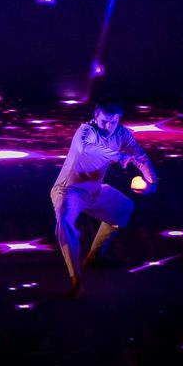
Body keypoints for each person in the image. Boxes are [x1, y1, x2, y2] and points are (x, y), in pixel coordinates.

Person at [50, 99, 156, 298]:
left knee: (124, 209)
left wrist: (152, 182)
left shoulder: (122, 134)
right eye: (104, 121)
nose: (108, 126)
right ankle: (76, 279)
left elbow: (140, 157)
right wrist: (118, 156)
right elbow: (86, 148)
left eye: (113, 122)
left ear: (119, 119)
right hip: (68, 191)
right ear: (95, 116)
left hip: (95, 191)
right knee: (64, 223)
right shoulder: (85, 131)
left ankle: (94, 255)